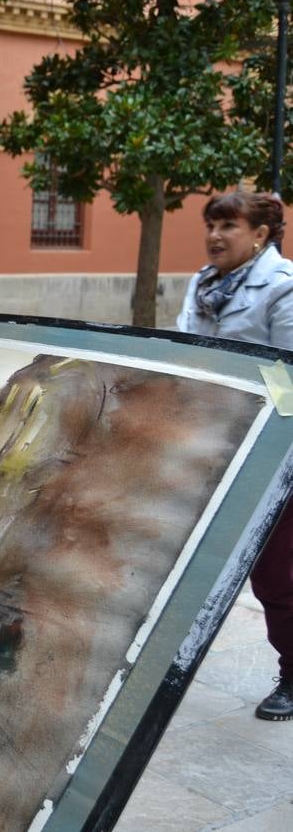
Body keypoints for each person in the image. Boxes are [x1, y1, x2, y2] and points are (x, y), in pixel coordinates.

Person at [176, 190, 293, 722]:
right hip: (211, 445)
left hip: (273, 457)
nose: (215, 235)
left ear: (261, 234)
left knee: (275, 575)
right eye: (211, 224)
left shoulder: (283, 290)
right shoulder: (201, 285)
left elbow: (289, 378)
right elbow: (182, 354)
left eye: (229, 225)